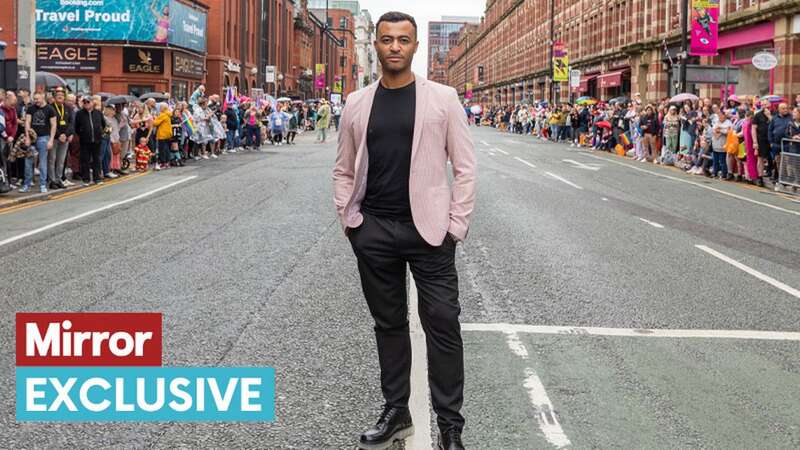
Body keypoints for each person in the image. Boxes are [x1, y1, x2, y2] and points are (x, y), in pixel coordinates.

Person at [333, 11, 475, 450]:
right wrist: (350, 220)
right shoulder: (357, 103)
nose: (395, 47)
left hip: (430, 233)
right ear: (375, 45)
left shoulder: (443, 99)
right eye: (387, 39)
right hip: (374, 230)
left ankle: (450, 426)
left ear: (416, 47)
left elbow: (465, 168)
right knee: (388, 324)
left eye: (404, 40)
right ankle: (397, 412)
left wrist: (455, 226)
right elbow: (343, 168)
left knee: (444, 325)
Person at [23, 92, 57, 193]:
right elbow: (27, 123)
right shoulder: (31, 108)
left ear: (43, 97)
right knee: (28, 162)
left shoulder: (50, 109)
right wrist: (28, 137)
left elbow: (53, 125)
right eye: (34, 99)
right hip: (32, 138)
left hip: (44, 138)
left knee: (42, 163)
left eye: (37, 98)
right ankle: (27, 184)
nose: (35, 101)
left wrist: (51, 140)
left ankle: (42, 185)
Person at [73, 96, 106, 185]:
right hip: (85, 141)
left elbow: (104, 125)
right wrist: (82, 134)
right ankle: (86, 179)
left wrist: (102, 134)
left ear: (92, 103)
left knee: (96, 160)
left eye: (88, 102)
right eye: (84, 102)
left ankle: (97, 178)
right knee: (85, 160)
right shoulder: (79, 114)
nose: (86, 104)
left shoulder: (98, 113)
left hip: (97, 140)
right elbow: (76, 127)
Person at [48, 88, 73, 190]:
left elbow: (72, 124)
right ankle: (52, 181)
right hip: (54, 138)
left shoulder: (68, 108)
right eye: (58, 95)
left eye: (62, 95)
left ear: (64, 97)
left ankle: (59, 180)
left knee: (61, 161)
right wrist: (59, 135)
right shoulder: (50, 108)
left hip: (65, 139)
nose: (60, 96)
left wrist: (66, 135)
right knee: (52, 160)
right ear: (54, 97)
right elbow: (50, 124)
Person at [768, 103, 792, 182]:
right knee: (777, 161)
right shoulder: (774, 118)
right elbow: (770, 130)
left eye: (786, 108)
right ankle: (779, 177)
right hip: (776, 144)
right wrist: (771, 142)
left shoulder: (790, 118)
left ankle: (786, 178)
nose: (785, 110)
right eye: (783, 108)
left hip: (787, 144)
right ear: (779, 109)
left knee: (786, 162)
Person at [152, 103, 173, 170]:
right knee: (167, 148)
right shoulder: (168, 114)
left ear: (163, 108)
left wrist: (154, 118)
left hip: (162, 134)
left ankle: (163, 163)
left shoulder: (163, 115)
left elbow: (155, 123)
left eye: (160, 107)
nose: (159, 108)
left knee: (162, 149)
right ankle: (167, 162)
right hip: (167, 134)